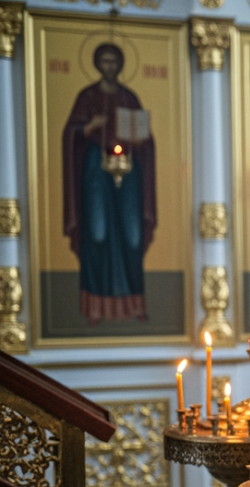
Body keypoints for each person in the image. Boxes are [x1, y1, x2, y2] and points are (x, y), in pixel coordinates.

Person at [61, 42, 157, 324]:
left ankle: (135, 303)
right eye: (104, 61)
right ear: (97, 64)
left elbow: (146, 139)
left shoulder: (129, 97)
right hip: (95, 171)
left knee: (132, 235)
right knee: (98, 234)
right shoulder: (87, 96)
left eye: (114, 61)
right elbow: (71, 133)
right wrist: (88, 128)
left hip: (129, 172)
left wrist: (142, 141)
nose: (110, 66)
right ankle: (95, 306)